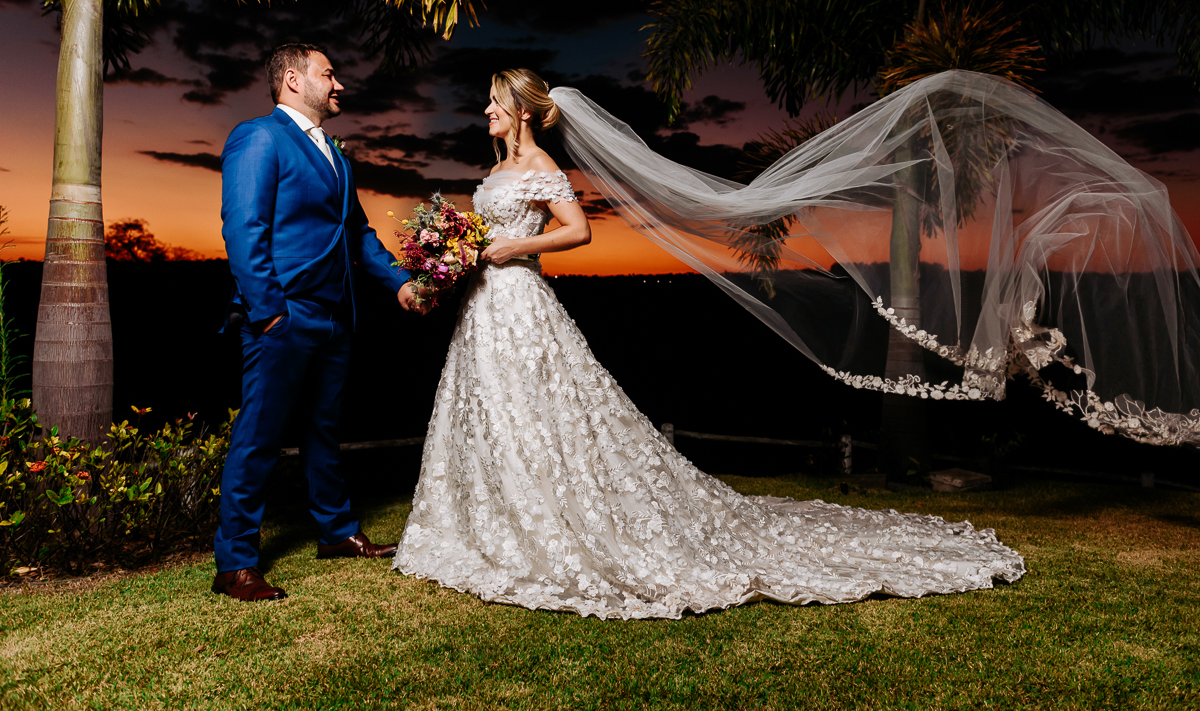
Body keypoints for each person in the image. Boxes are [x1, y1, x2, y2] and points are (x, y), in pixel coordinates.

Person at [391, 68, 1026, 620]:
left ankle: (547, 525)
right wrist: (446, 266)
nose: (487, 110)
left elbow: (578, 231)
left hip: (521, 305)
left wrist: (516, 247)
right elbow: (483, 240)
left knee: (536, 413)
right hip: (482, 309)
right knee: (492, 412)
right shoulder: (498, 170)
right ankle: (492, 519)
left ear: (523, 112)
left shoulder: (540, 167)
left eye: (496, 102)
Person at [215, 43, 426, 602]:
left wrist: (399, 283)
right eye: (328, 74)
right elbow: (243, 229)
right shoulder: (258, 137)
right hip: (283, 315)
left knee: (323, 432)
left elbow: (356, 233)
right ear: (292, 79)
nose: (339, 85)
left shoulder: (334, 152)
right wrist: (270, 314)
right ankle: (234, 563)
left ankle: (336, 533)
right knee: (259, 438)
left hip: (335, 317)